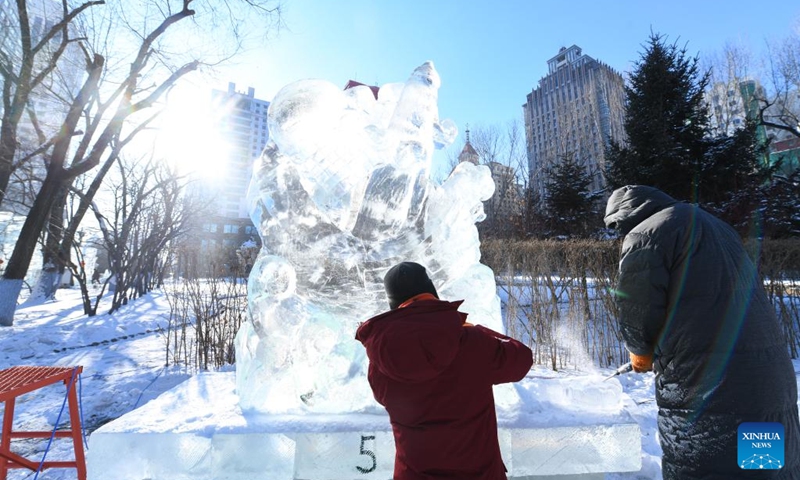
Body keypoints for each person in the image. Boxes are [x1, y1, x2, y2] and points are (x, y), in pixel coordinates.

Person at [604, 185, 800, 479]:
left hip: (709, 392)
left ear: (624, 215)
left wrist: (640, 352)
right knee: (762, 467)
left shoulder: (647, 233)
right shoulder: (716, 226)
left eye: (616, 227)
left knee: (706, 469)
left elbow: (637, 310)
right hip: (769, 387)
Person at [355, 262, 533, 480]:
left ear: (393, 303)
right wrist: (478, 330)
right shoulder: (472, 342)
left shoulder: (381, 357)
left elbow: (384, 397)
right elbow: (522, 359)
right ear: (432, 292)